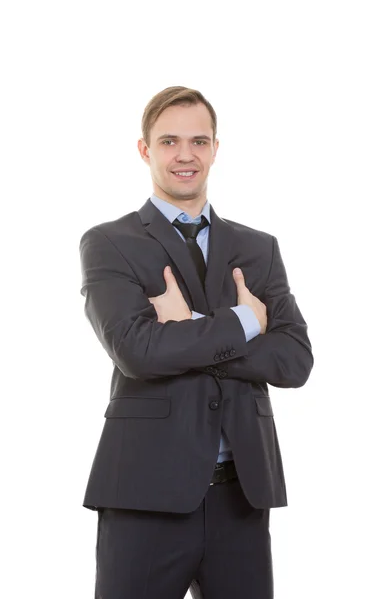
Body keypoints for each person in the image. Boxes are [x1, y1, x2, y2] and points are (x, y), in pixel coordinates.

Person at [79, 85, 313, 599]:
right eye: (169, 142)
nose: (185, 155)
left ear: (214, 148)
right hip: (145, 496)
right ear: (145, 149)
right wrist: (244, 322)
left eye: (199, 141)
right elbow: (137, 352)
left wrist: (188, 330)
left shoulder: (258, 248)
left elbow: (294, 360)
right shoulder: (110, 242)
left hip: (241, 499)